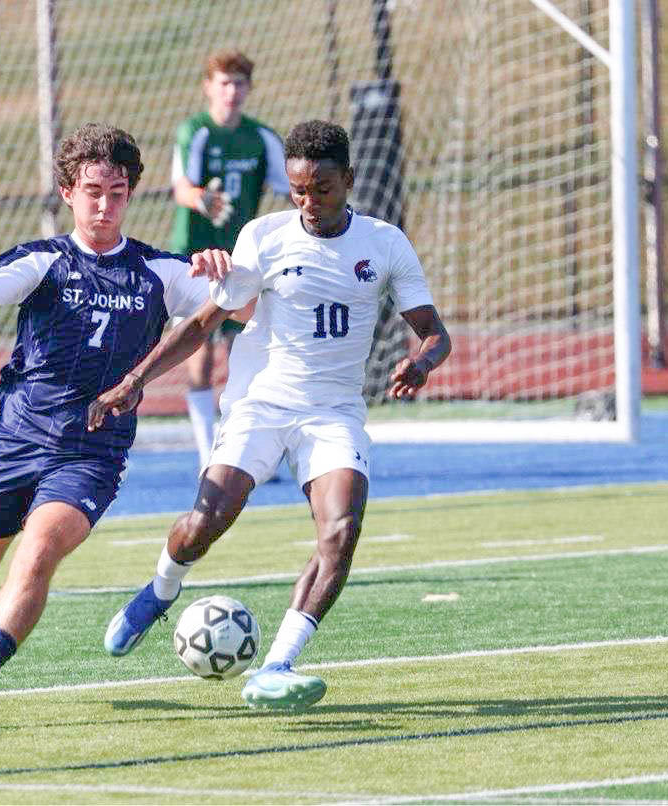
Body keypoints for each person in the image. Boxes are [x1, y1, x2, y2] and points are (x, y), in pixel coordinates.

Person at [90, 119, 452, 710]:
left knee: (341, 531)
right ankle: (160, 589)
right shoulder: (265, 235)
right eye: (299, 190)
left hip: (333, 412)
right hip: (260, 402)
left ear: (350, 181)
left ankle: (276, 665)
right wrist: (135, 379)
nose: (309, 202)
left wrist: (422, 361)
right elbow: (205, 322)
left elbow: (435, 334)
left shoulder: (385, 243)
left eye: (323, 189)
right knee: (205, 521)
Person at [0, 123, 228, 729]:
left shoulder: (158, 270)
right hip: (18, 439)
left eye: (119, 192)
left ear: (132, 195)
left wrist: (224, 271)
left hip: (91, 453)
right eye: (93, 190)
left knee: (38, 551)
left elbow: (240, 302)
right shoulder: (44, 260)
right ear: (69, 192)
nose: (105, 205)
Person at [170, 49, 290, 469]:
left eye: (239, 83)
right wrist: (203, 200)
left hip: (242, 260)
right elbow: (182, 188)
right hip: (198, 258)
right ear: (209, 87)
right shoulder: (196, 131)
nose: (232, 91)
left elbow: (292, 188)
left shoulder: (261, 137)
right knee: (198, 353)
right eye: (224, 82)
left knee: (250, 352)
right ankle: (209, 453)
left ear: (249, 88)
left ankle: (245, 451)